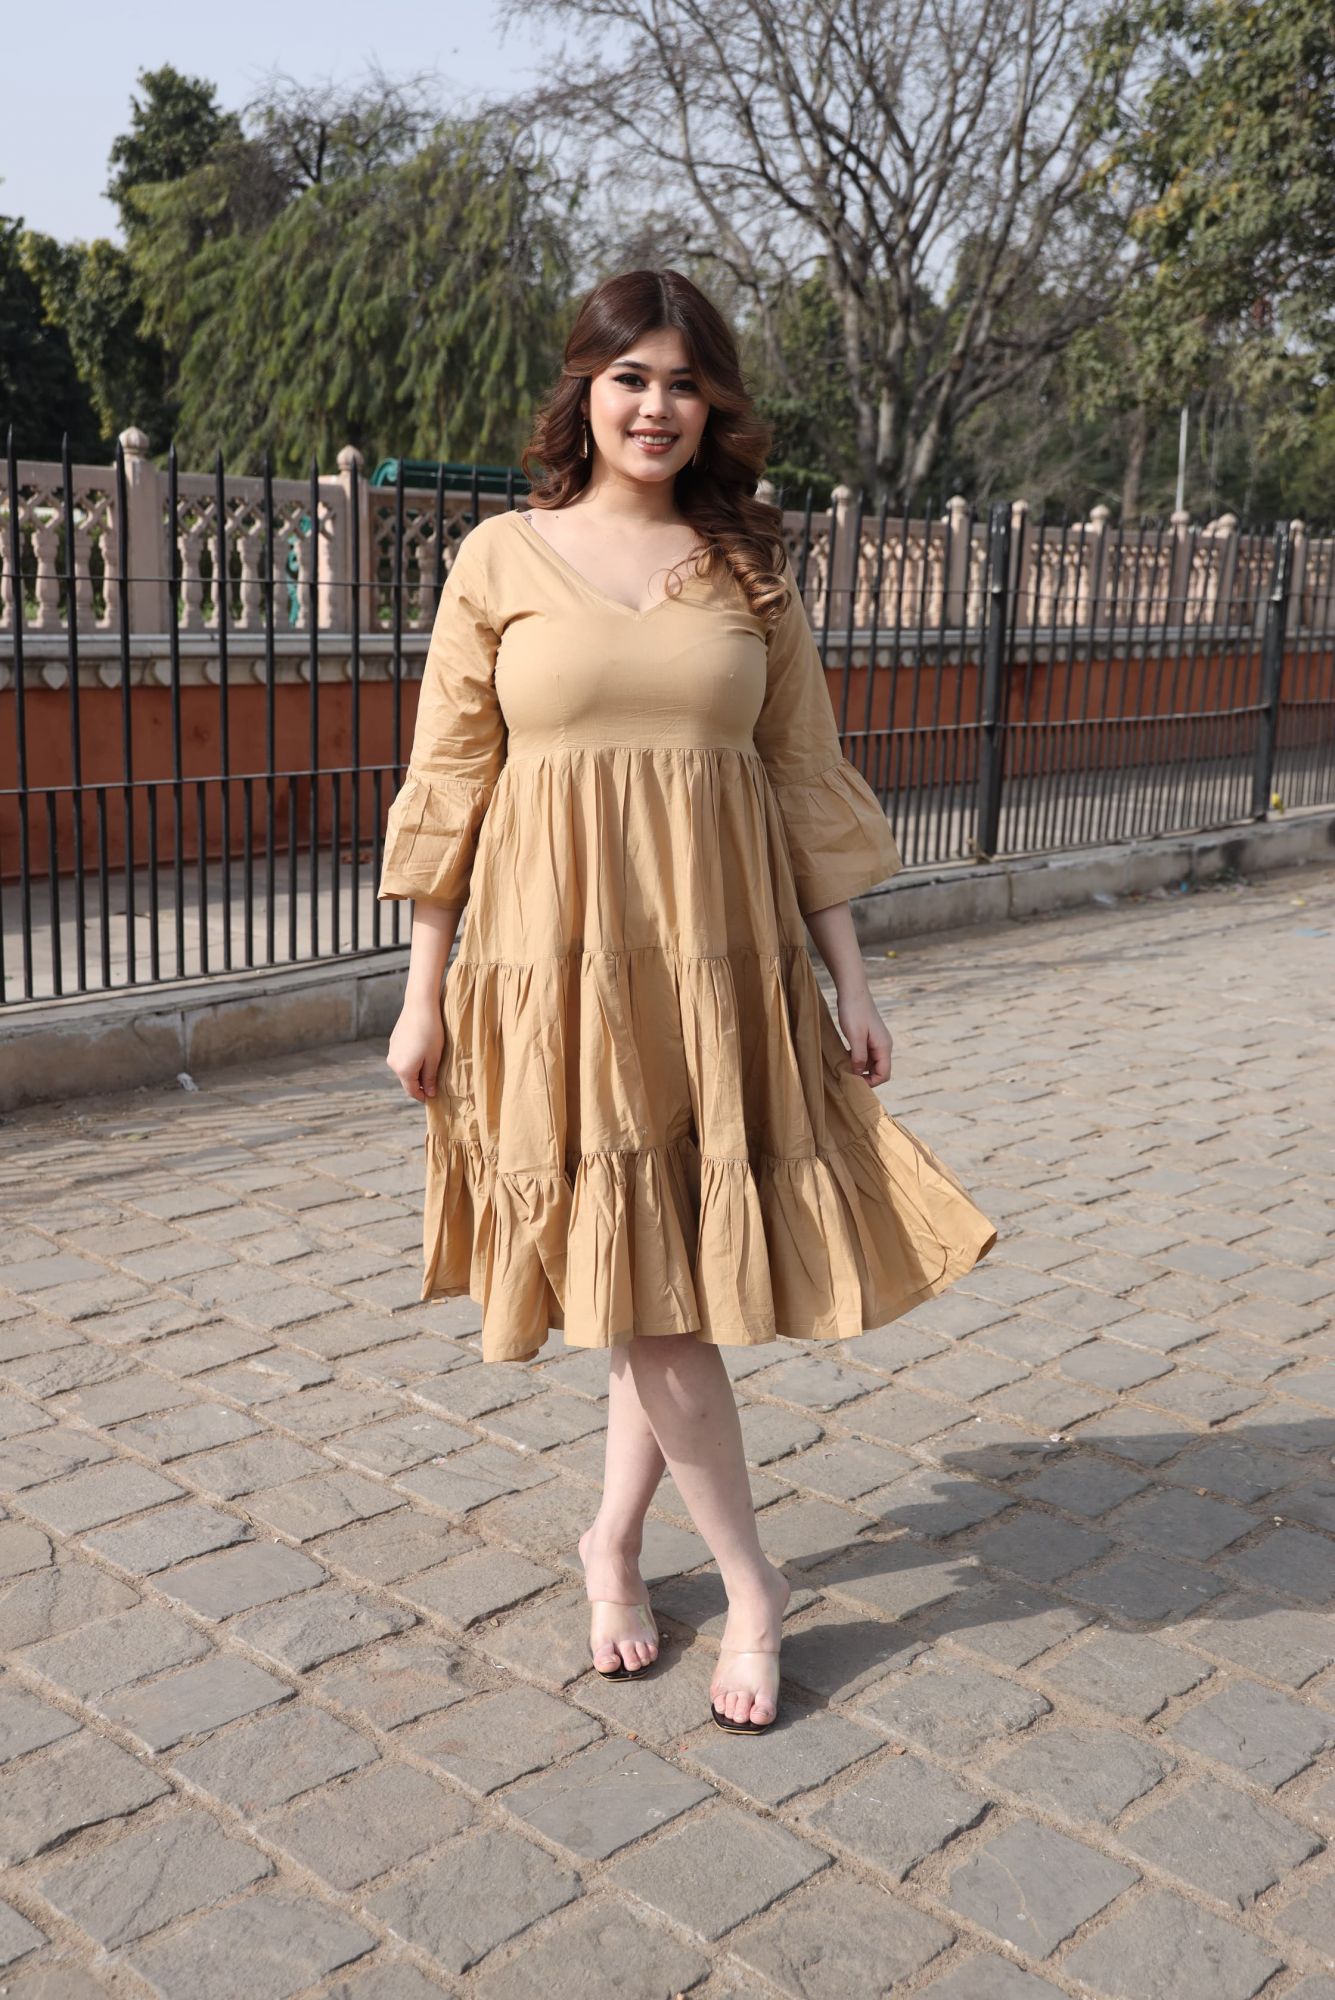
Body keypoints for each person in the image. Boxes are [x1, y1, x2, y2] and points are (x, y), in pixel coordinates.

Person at [381, 268, 997, 1734]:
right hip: (552, 970)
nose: (656, 407)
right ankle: (749, 1575)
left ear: (711, 405)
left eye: (682, 383)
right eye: (629, 378)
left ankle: (613, 1547)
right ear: (583, 395)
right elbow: (450, 783)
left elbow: (801, 784)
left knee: (655, 1273)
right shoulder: (500, 560)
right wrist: (424, 995)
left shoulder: (748, 574)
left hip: (719, 968)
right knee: (646, 1292)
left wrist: (852, 981)